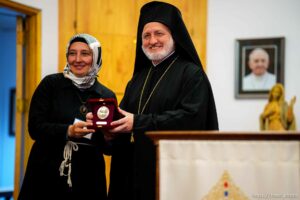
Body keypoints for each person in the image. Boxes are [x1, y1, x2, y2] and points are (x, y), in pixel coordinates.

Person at [87, 2, 218, 200]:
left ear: (174, 36)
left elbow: (191, 119)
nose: (152, 40)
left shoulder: (192, 74)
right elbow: (124, 122)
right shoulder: (138, 78)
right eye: (146, 35)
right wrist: (107, 131)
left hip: (168, 174)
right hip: (129, 175)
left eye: (159, 33)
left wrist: (137, 123)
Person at [18, 33, 116, 200]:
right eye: (72, 53)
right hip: (47, 169)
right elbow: (34, 128)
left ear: (96, 57)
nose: (77, 59)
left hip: (88, 175)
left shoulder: (106, 95)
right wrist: (68, 131)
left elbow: (108, 150)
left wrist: (108, 137)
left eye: (85, 53)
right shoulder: (50, 84)